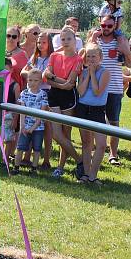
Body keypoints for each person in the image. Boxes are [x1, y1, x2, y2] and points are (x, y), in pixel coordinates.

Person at [88, 13, 131, 165]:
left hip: (114, 88)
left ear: (115, 26)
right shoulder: (95, 39)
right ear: (99, 24)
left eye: (109, 26)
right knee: (95, 121)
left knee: (113, 122)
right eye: (103, 25)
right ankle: (96, 149)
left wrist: (124, 49)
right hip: (96, 86)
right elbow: (84, 60)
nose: (106, 28)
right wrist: (92, 40)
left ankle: (113, 154)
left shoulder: (120, 40)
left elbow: (130, 64)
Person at [44, 26, 83, 179]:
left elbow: (71, 82)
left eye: (69, 39)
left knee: (65, 134)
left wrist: (54, 79)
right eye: (63, 39)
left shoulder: (78, 59)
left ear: (75, 40)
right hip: (54, 95)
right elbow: (46, 76)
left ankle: (60, 167)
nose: (65, 42)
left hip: (69, 98)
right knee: (56, 133)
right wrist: (60, 83)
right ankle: (80, 161)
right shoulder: (54, 55)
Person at [75, 43, 111, 185]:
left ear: (100, 57)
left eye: (94, 56)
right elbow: (81, 91)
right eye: (88, 56)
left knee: (101, 144)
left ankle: (93, 175)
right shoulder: (83, 73)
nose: (91, 59)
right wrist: (88, 74)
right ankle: (85, 173)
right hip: (83, 108)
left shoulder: (105, 72)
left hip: (97, 110)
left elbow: (97, 91)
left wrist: (92, 74)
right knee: (86, 143)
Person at [21, 31, 53, 169]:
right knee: (29, 121)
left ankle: (46, 159)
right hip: (31, 93)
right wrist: (34, 77)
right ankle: (26, 157)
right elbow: (23, 71)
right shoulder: (35, 57)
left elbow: (48, 77)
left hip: (45, 93)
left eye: (43, 42)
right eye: (38, 42)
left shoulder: (52, 57)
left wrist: (37, 77)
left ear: (49, 43)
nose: (40, 45)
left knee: (45, 127)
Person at [14, 68, 49, 173]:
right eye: (30, 80)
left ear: (41, 81)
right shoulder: (24, 93)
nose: (32, 83)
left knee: (37, 149)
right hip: (25, 126)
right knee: (20, 147)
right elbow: (22, 111)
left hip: (38, 128)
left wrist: (33, 128)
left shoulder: (43, 94)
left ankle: (34, 168)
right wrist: (22, 126)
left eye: (36, 80)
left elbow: (41, 114)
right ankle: (16, 167)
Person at [1, 58, 21, 165]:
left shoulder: (15, 86)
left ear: (11, 70)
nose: (4, 72)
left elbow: (18, 104)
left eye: (6, 70)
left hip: (10, 117)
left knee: (8, 140)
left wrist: (15, 120)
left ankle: (6, 160)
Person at [6, 25, 28, 90]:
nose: (11, 38)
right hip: (0, 88)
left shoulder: (23, 54)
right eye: (8, 36)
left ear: (18, 39)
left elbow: (27, 76)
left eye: (14, 37)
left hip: (16, 91)